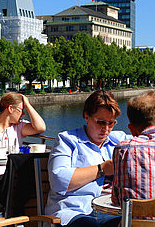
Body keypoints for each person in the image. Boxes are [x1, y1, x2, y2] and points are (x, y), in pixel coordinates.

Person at [45, 90, 130, 227]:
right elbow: (58, 180)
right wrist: (101, 169)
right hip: (76, 211)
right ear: (86, 116)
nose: (106, 129)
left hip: (112, 211)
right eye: (101, 122)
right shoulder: (68, 140)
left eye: (111, 123)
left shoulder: (120, 140)